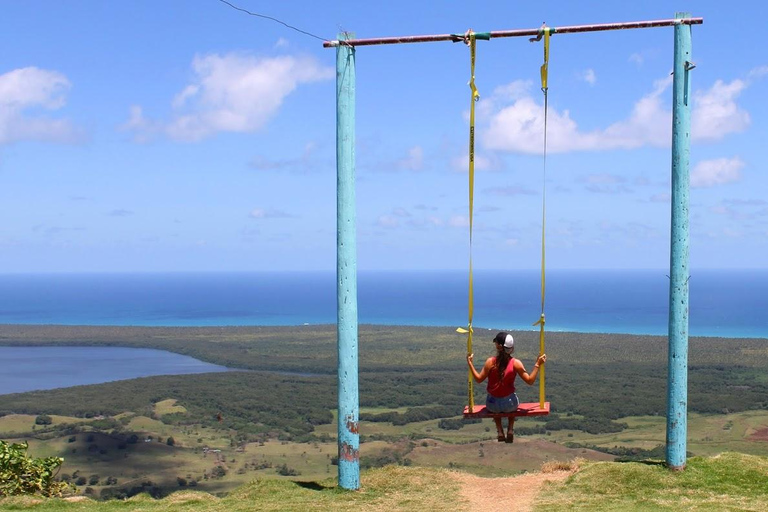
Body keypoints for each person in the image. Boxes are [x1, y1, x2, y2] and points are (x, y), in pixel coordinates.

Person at [466, 331, 546, 443]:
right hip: (510, 405)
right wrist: (538, 364)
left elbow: (479, 379)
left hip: (492, 405)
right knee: (512, 397)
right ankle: (510, 429)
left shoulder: (490, 362)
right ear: (511, 348)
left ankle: (499, 431)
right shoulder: (516, 363)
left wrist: (470, 364)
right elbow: (530, 381)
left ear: (498, 346)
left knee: (494, 401)